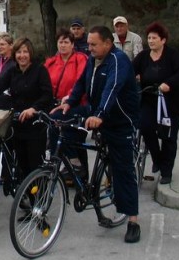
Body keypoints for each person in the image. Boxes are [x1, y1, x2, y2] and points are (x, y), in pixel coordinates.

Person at [56, 26, 141, 244]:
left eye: (94, 44)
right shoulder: (92, 60)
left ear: (107, 43)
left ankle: (133, 220)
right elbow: (81, 84)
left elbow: (112, 88)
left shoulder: (118, 61)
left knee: (123, 170)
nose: (90, 48)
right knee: (57, 120)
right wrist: (69, 103)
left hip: (119, 119)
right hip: (97, 112)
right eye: (89, 44)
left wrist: (100, 115)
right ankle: (76, 166)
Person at [0, 37, 52, 179]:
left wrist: (33, 109)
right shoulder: (13, 71)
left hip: (35, 124)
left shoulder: (40, 70)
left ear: (31, 53)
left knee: (34, 165)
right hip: (18, 122)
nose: (22, 55)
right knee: (21, 163)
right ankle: (22, 190)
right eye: (19, 52)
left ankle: (38, 191)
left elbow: (48, 95)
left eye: (25, 52)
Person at [132, 21, 179, 185]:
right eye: (149, 38)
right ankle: (157, 158)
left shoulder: (172, 55)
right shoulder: (143, 57)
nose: (150, 41)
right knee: (145, 126)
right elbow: (130, 71)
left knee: (168, 136)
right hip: (150, 100)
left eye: (154, 38)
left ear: (163, 40)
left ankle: (166, 172)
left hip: (172, 102)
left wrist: (169, 84)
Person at [44, 28, 90, 178]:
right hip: (55, 104)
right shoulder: (51, 62)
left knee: (57, 125)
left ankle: (71, 163)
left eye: (66, 42)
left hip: (77, 103)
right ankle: (69, 167)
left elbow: (81, 81)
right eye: (60, 42)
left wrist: (70, 97)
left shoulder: (80, 59)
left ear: (72, 44)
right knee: (49, 124)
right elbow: (43, 82)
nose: (63, 45)